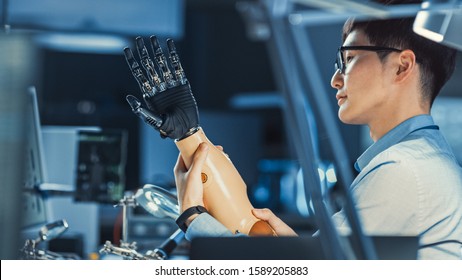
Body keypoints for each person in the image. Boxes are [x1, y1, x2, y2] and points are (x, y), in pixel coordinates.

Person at [173, 0, 462, 260]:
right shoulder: (418, 159)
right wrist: (298, 247)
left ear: (402, 67)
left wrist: (193, 218)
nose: (336, 79)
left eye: (348, 60)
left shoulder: (404, 169)